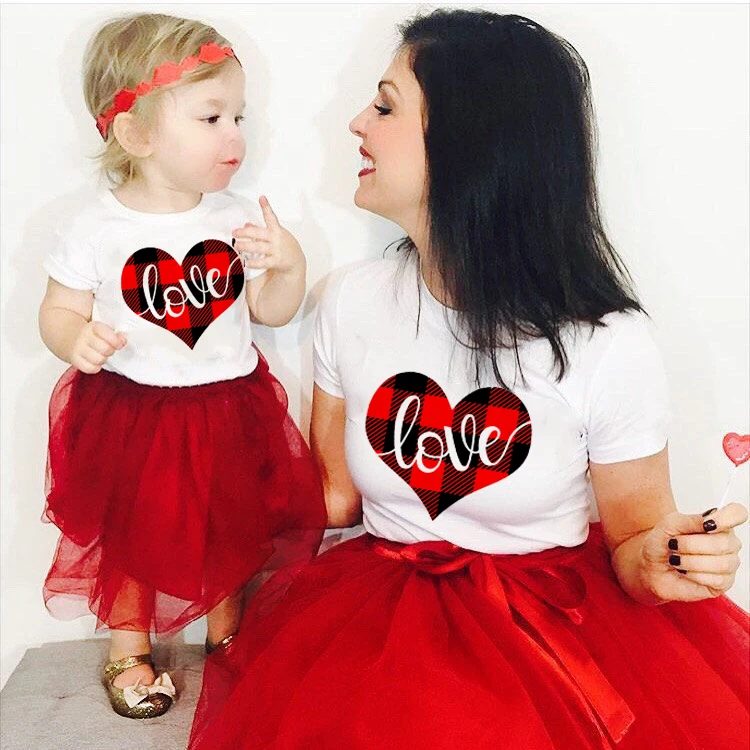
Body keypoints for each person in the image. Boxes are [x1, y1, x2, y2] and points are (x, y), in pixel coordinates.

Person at [188, 9, 749, 748]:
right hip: (379, 618)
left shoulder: (608, 342)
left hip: (550, 628)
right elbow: (334, 498)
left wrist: (667, 558)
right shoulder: (350, 302)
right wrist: (210, 472)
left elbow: (636, 540)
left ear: (468, 139)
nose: (356, 123)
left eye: (385, 106)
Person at [37, 13, 326, 719]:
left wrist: (289, 267)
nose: (236, 137)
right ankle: (128, 646)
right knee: (135, 533)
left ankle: (227, 632)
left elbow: (269, 310)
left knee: (230, 524)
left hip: (228, 403)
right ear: (136, 134)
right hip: (137, 413)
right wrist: (74, 339)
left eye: (239, 117)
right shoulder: (96, 226)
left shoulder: (232, 216)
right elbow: (58, 308)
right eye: (211, 117)